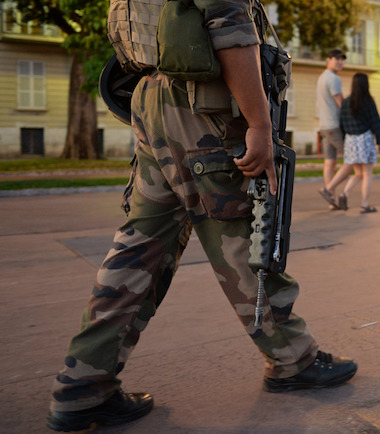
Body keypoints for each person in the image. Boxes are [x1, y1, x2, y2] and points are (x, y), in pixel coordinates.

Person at [46, 2, 356, 432]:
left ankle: (83, 384)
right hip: (201, 107)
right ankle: (293, 359)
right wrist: (259, 125)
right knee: (245, 236)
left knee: (138, 249)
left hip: (153, 102)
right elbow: (230, 27)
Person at [324, 73, 380, 213]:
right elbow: (375, 121)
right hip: (365, 139)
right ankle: (364, 205)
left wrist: (346, 141)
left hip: (351, 140)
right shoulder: (368, 101)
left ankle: (344, 194)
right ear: (366, 85)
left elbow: (342, 124)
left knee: (358, 173)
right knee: (367, 173)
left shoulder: (346, 102)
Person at [317, 49, 347, 209]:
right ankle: (328, 190)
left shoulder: (321, 77)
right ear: (328, 59)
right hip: (334, 126)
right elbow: (340, 102)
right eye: (337, 59)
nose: (340, 62)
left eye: (342, 59)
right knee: (352, 160)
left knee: (330, 163)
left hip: (323, 126)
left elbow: (318, 104)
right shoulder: (334, 79)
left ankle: (332, 201)